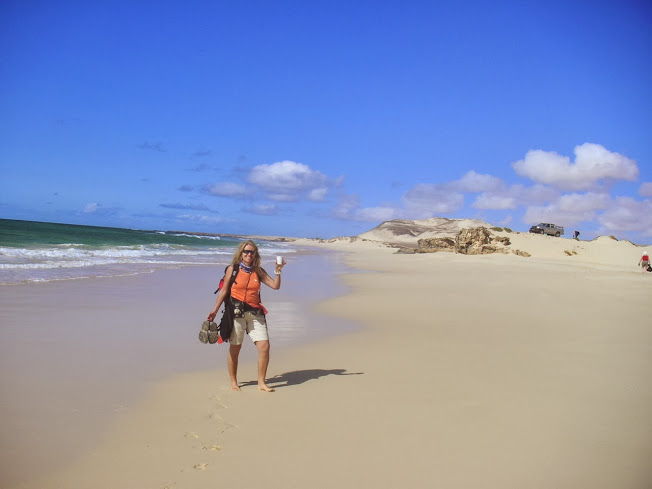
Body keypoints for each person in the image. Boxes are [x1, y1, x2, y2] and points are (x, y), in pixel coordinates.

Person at [207, 240, 285, 392]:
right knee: (235, 348)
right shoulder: (233, 269)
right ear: (241, 254)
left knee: (264, 347)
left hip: (255, 313)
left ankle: (261, 383)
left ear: (256, 254)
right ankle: (233, 381)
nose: (249, 254)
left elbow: (275, 286)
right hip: (236, 313)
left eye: (252, 252)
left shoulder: (258, 271)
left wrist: (278, 270)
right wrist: (214, 310)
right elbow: (223, 291)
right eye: (246, 251)